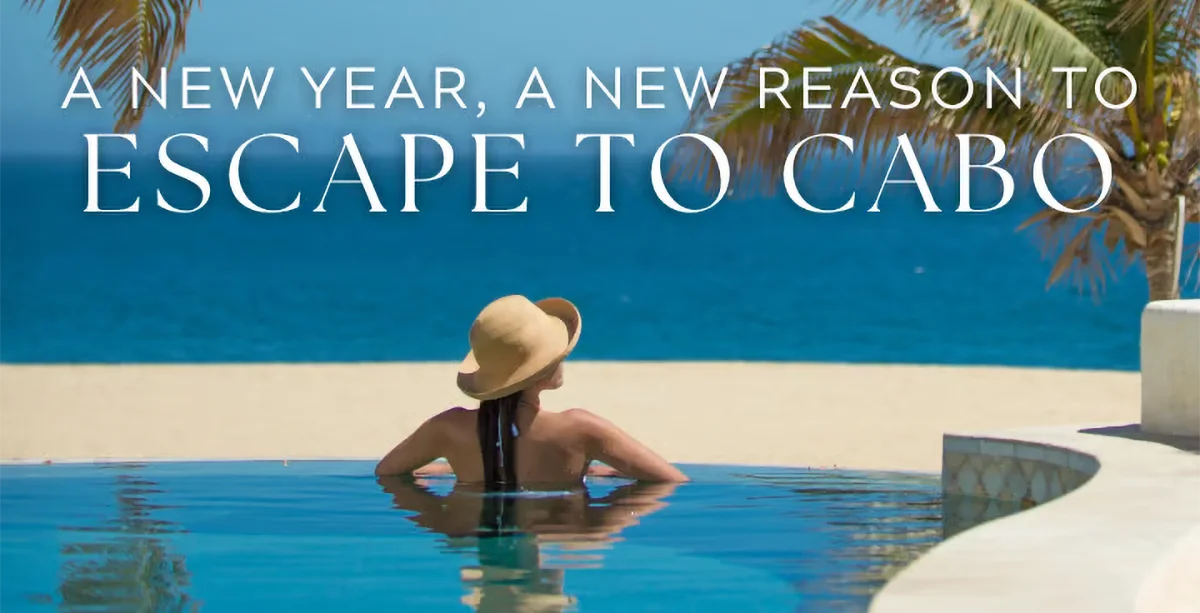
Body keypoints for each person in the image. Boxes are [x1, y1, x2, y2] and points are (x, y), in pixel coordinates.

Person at [375, 295, 688, 486]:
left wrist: (442, 518)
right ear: (543, 368)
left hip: (476, 536)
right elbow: (671, 482)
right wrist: (600, 526)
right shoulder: (580, 428)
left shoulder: (448, 429)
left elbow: (387, 474)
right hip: (561, 526)